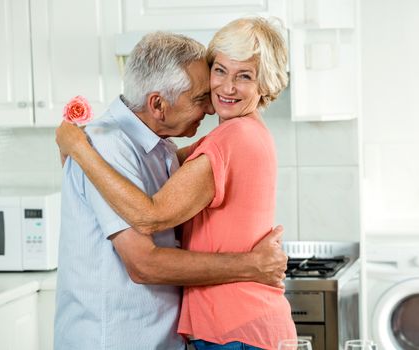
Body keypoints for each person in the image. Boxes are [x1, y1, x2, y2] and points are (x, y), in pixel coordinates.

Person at [54, 31, 288, 350]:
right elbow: (144, 263)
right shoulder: (106, 148)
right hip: (117, 341)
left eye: (243, 76)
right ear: (158, 105)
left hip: (163, 338)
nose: (210, 108)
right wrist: (252, 265)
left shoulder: (160, 146)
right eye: (200, 98)